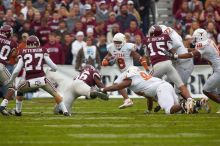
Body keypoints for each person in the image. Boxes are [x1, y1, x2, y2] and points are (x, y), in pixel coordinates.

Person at [3, 35, 69, 116]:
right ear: (37, 43)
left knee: (19, 91)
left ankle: (18, 111)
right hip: (42, 79)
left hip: (29, 81)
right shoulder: (43, 50)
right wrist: (53, 69)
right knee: (55, 94)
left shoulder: (23, 52)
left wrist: (11, 79)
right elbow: (54, 67)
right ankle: (65, 111)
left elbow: (17, 70)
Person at [144, 25, 195, 113]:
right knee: (180, 85)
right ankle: (190, 101)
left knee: (147, 86)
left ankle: (150, 108)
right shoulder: (166, 37)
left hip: (161, 65)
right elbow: (174, 49)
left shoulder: (148, 41)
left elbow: (148, 59)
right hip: (169, 63)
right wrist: (169, 53)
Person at [170, 28, 220, 111]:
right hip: (217, 69)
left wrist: (177, 56)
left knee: (206, 90)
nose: (194, 39)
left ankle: (196, 104)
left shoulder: (203, 44)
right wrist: (184, 50)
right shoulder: (208, 41)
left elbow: (192, 54)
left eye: (195, 37)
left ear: (200, 37)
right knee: (217, 92)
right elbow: (194, 50)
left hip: (218, 70)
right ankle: (198, 104)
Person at [100, 66, 184, 114]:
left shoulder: (131, 79)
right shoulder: (141, 78)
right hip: (166, 85)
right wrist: (149, 110)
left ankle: (185, 103)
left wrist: (104, 89)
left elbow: (117, 87)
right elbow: (149, 97)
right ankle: (194, 104)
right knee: (178, 112)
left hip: (161, 88)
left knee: (169, 111)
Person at [102, 32, 149, 109]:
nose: (117, 44)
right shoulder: (111, 48)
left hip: (130, 70)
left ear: (123, 41)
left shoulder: (128, 47)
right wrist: (105, 61)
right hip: (124, 72)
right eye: (115, 42)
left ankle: (127, 100)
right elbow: (106, 58)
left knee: (117, 83)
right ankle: (155, 99)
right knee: (139, 92)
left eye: (118, 42)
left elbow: (140, 58)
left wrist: (146, 68)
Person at [0, 25, 17, 115]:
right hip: (0, 65)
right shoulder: (13, 42)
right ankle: (3, 106)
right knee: (12, 86)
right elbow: (11, 55)